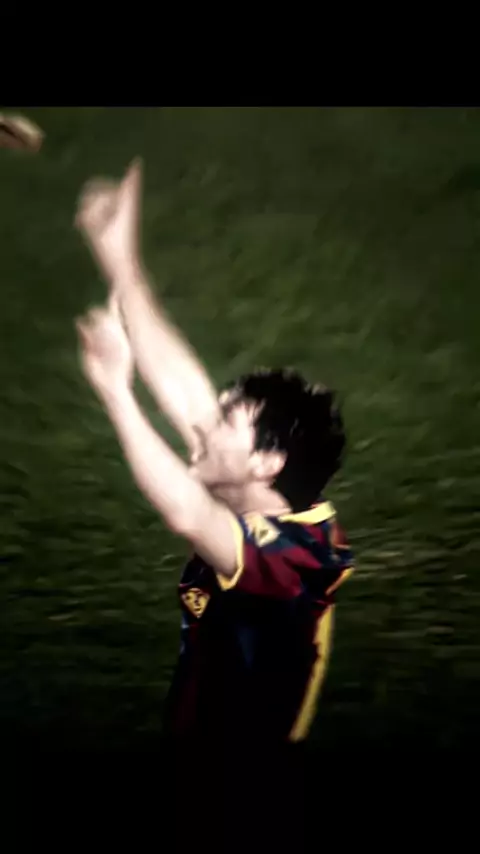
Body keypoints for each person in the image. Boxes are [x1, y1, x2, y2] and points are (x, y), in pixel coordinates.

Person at [75, 160, 354, 758]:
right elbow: (185, 391)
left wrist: (115, 391)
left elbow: (186, 513)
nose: (205, 423)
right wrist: (121, 263)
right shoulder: (267, 491)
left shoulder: (291, 562)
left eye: (227, 421)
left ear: (266, 463)